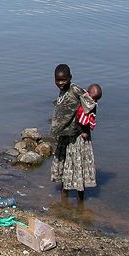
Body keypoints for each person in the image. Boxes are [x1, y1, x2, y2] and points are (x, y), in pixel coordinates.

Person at [50, 64, 96, 204]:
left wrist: (85, 129)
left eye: (64, 80)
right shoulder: (62, 91)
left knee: (77, 167)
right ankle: (64, 202)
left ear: (70, 78)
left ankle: (80, 204)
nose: (60, 83)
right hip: (65, 136)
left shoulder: (75, 89)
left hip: (76, 137)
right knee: (65, 167)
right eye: (58, 80)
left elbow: (92, 104)